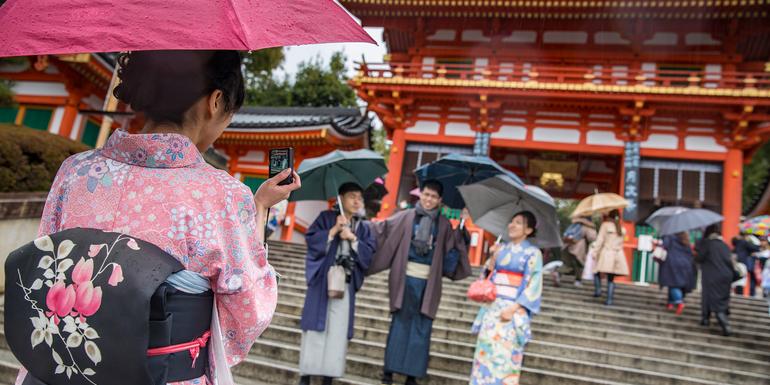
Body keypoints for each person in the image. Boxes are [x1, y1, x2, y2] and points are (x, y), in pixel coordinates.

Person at [6, 51, 302, 385]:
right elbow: (248, 312)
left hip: (61, 371)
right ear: (216, 102)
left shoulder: (75, 172)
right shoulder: (223, 193)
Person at [368, 179, 471, 385]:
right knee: (400, 323)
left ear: (440, 200)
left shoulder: (443, 224)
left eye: (433, 197)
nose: (428, 200)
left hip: (428, 283)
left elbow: (454, 249)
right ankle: (389, 371)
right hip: (405, 277)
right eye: (426, 195)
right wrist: (363, 227)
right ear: (420, 194)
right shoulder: (406, 217)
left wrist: (461, 228)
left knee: (422, 326)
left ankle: (411, 375)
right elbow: (383, 230)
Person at [298, 183, 376, 385]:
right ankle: (306, 374)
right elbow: (312, 241)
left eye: (359, 197)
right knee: (316, 329)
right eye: (352, 196)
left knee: (338, 330)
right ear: (340, 198)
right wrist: (333, 230)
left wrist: (352, 238)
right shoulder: (326, 218)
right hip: (323, 280)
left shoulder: (363, 226)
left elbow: (369, 255)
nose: (357, 200)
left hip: (345, 284)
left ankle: (328, 377)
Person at [469, 211, 543, 385]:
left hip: (512, 311)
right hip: (492, 307)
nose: (512, 225)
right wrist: (492, 259)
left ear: (529, 230)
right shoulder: (500, 249)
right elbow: (486, 276)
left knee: (507, 357)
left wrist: (513, 308)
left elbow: (534, 284)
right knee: (484, 354)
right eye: (511, 221)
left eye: (518, 222)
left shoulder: (533, 253)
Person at [695, 224, 733, 336]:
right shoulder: (725, 245)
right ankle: (716, 317)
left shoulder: (708, 244)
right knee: (721, 298)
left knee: (709, 296)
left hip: (712, 275)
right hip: (726, 276)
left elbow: (699, 258)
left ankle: (722, 323)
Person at [588, 209, 629, 306]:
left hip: (607, 253)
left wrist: (594, 252)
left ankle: (598, 290)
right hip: (618, 255)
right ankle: (609, 300)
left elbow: (600, 240)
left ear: (609, 216)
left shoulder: (605, 225)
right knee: (611, 278)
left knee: (596, 271)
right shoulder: (621, 228)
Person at [658, 232, 697, 315]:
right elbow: (690, 252)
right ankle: (670, 302)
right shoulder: (686, 240)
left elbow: (665, 246)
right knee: (678, 283)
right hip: (686, 264)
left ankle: (679, 302)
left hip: (672, 263)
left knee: (672, 283)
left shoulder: (669, 237)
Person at [558, 216, 597, 286]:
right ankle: (577, 281)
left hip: (567, 247)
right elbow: (592, 238)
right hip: (578, 250)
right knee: (579, 266)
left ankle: (557, 273)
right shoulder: (586, 227)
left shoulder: (573, 225)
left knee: (567, 265)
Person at [732, 232, 760, 296]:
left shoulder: (736, 243)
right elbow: (756, 248)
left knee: (736, 280)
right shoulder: (744, 242)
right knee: (741, 281)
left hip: (735, 263)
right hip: (742, 264)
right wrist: (751, 239)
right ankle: (739, 295)